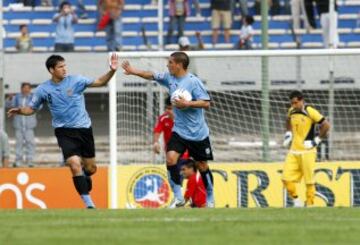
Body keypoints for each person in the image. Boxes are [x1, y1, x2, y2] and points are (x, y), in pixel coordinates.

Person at [8, 53, 119, 208]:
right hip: (64, 131)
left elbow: (100, 82)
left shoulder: (76, 81)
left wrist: (112, 70)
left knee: (91, 168)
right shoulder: (43, 89)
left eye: (64, 65)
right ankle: (89, 204)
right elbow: (31, 109)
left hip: (84, 129)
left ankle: (86, 176)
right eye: (60, 67)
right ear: (51, 70)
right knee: (74, 164)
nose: (64, 69)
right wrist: (20, 111)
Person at [122, 52, 215, 208]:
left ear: (178, 64)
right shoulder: (169, 78)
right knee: (171, 159)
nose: (167, 65)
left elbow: (207, 103)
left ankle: (210, 195)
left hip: (198, 133)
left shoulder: (193, 82)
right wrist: (133, 71)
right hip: (179, 131)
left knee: (202, 166)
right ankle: (178, 196)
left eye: (170, 62)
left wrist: (188, 103)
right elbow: (150, 75)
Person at [282, 90, 330, 207]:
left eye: (295, 103)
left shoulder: (310, 111)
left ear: (301, 100)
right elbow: (288, 120)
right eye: (292, 103)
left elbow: (326, 125)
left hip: (307, 151)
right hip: (293, 151)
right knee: (285, 179)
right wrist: (289, 133)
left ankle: (309, 205)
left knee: (309, 182)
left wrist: (317, 140)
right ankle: (296, 201)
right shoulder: (291, 111)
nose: (293, 105)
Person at [6, 83, 38, 168]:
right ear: (21, 89)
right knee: (19, 143)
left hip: (29, 125)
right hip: (18, 124)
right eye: (24, 88)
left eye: (28, 88)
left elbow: (39, 106)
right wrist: (9, 99)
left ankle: (30, 160)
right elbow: (8, 105)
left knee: (30, 143)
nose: (26, 90)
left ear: (30, 89)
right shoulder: (16, 97)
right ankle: (18, 161)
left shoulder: (33, 97)